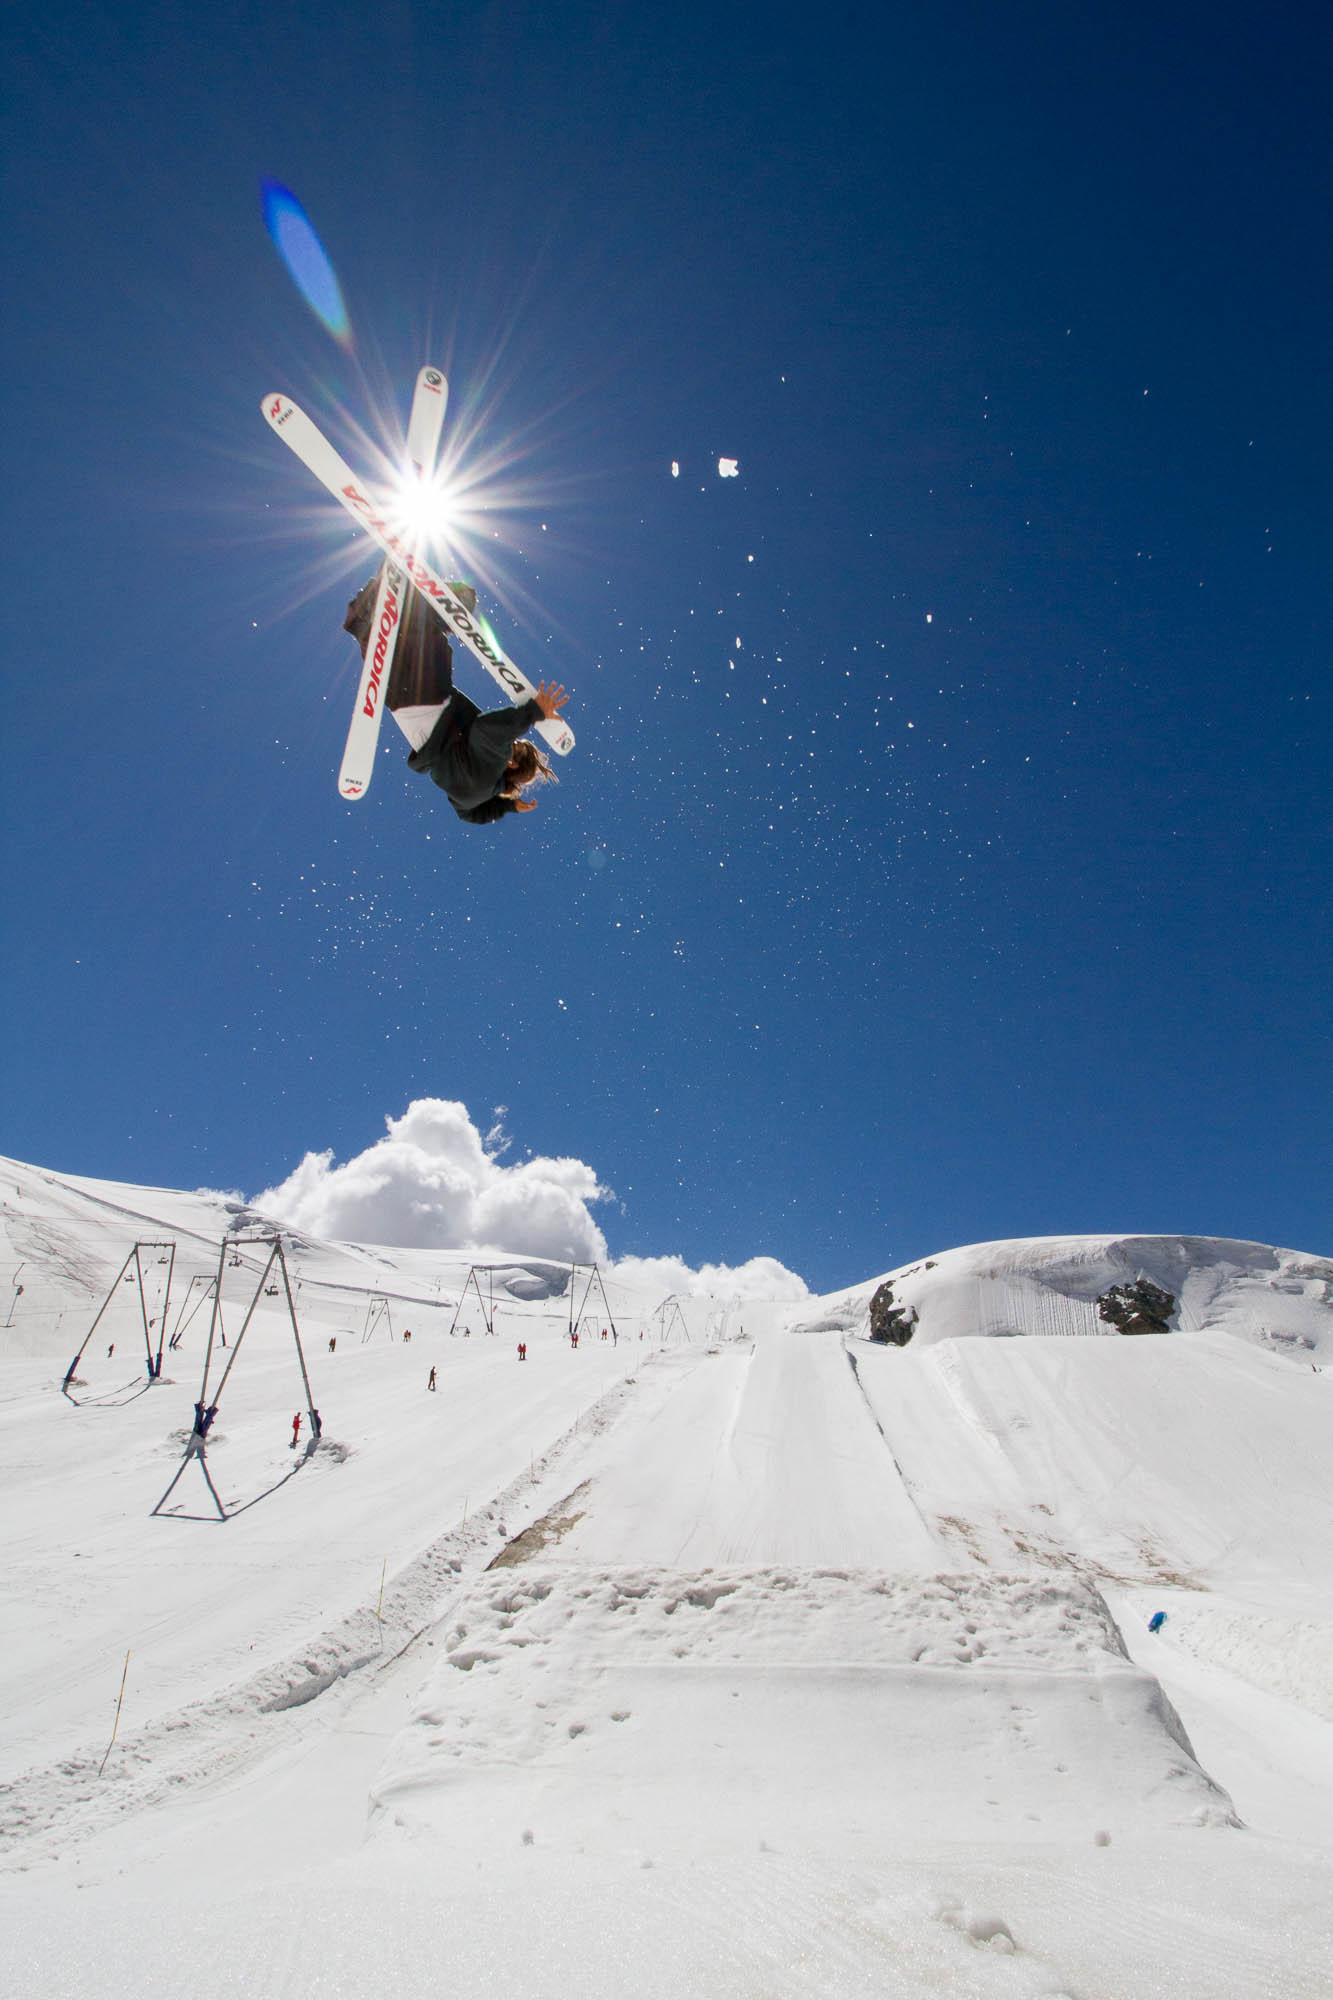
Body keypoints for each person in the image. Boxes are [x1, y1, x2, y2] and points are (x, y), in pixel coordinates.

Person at [344, 573, 569, 825]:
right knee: (389, 645)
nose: (510, 742)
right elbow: (469, 815)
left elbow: (488, 731)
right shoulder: (474, 796)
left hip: (431, 700)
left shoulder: (493, 763)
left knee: (426, 626)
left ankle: (423, 607)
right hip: (402, 707)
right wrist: (506, 807)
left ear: (512, 764)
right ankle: (363, 620)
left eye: (514, 745)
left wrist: (534, 712)